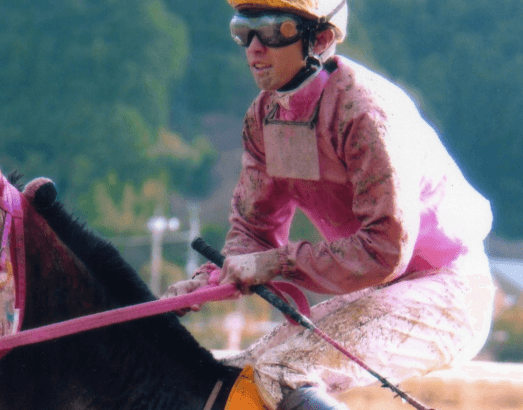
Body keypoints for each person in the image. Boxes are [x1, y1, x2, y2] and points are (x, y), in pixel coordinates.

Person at [163, 0, 496, 409]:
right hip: (382, 292)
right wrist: (209, 282)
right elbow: (253, 233)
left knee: (281, 374)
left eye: (272, 30)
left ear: (319, 39)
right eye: (242, 30)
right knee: (233, 376)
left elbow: (384, 249)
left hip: (448, 291)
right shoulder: (264, 117)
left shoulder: (365, 113)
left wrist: (272, 263)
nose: (253, 47)